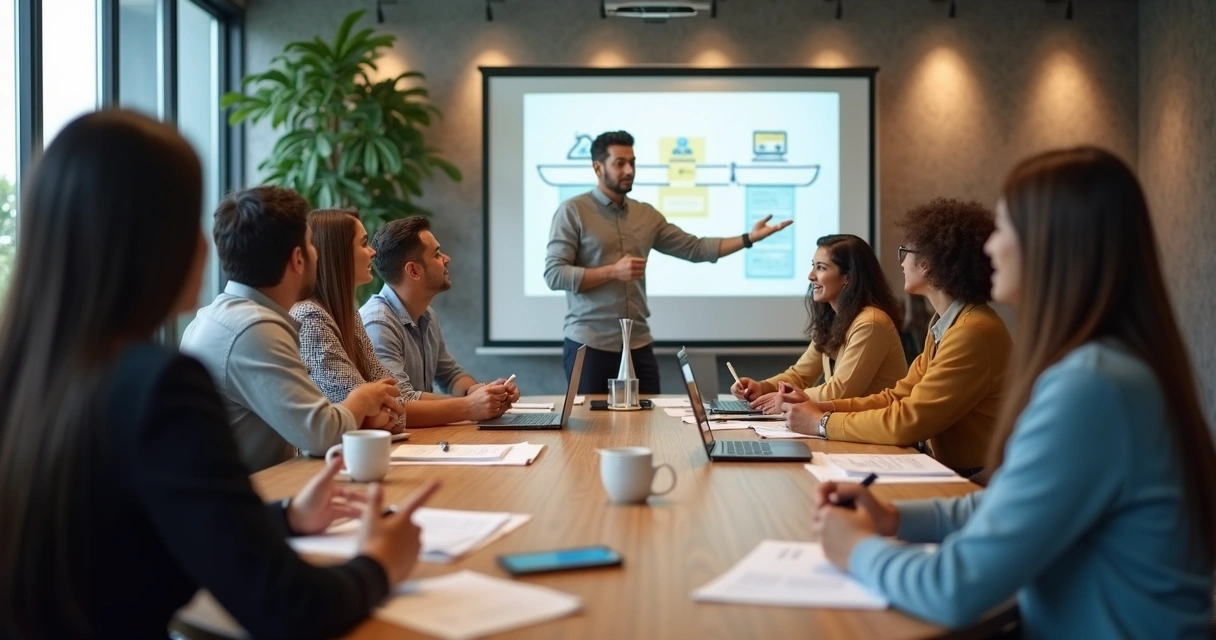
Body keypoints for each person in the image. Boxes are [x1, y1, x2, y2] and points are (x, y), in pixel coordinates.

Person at [0, 110, 438, 639]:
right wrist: (380, 561)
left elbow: (144, 533)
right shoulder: (157, 385)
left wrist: (281, 519)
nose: (205, 247)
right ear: (154, 243)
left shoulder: (30, 373)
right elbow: (286, 607)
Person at [815, 147, 1216, 637]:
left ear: (1052, 244)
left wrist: (855, 549)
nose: (989, 249)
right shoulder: (1115, 367)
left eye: (1003, 229)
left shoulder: (1092, 387)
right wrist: (894, 517)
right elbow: (1008, 503)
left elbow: (954, 590)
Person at [544, 130, 794, 394]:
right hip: (590, 344)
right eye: (620, 163)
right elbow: (554, 274)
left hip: (638, 343)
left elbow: (695, 248)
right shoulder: (573, 211)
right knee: (592, 432)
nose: (629, 170)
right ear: (597, 167)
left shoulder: (645, 215)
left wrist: (748, 238)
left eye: (633, 162)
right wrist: (613, 271)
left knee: (650, 427)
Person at [780, 199, 1012, 475]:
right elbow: (898, 396)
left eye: (905, 252)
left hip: (974, 478)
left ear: (926, 264)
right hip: (947, 467)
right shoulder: (948, 325)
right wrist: (820, 407)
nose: (901, 262)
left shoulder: (971, 332)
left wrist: (821, 422)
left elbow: (908, 421)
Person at [181, 186, 403, 472]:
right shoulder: (254, 329)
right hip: (255, 502)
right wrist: (362, 399)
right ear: (298, 259)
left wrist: (352, 416)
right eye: (312, 245)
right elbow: (321, 434)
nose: (318, 255)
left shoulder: (212, 317)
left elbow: (307, 424)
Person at [295, 210, 513, 426]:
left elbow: (392, 399)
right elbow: (371, 410)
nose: (372, 252)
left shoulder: (349, 315)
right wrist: (471, 406)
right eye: (363, 244)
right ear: (338, 254)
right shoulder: (317, 319)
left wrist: (482, 395)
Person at [731, 234, 908, 413]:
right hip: (850, 427)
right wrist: (763, 387)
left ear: (848, 277)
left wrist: (786, 398)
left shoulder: (871, 323)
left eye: (821, 268)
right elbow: (800, 375)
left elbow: (839, 392)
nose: (811, 276)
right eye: (813, 266)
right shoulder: (833, 317)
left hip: (878, 433)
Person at [361, 216, 520, 409]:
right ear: (413, 271)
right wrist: (471, 405)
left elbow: (451, 375)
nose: (446, 259)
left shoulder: (427, 315)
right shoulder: (378, 323)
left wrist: (484, 392)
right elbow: (400, 402)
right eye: (436, 254)